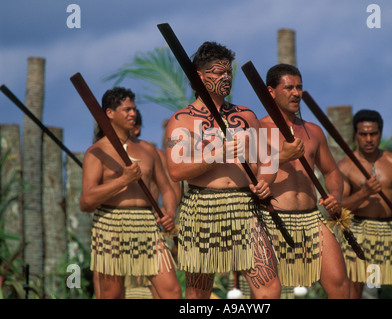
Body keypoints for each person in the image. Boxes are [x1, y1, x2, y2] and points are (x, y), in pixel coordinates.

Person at [164, 41, 282, 299]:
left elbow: (269, 159)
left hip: (244, 206)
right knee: (198, 294)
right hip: (201, 208)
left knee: (270, 290)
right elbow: (176, 170)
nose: (226, 78)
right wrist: (220, 154)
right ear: (200, 76)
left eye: (229, 72)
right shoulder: (182, 120)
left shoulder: (246, 116)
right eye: (219, 73)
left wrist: (265, 182)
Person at [80, 86, 181, 299]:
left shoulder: (147, 149)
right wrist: (122, 181)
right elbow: (86, 201)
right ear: (109, 113)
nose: (133, 113)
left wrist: (169, 213)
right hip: (110, 224)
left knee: (171, 290)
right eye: (126, 109)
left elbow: (168, 190)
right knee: (112, 294)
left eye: (134, 109)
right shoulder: (97, 152)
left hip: (147, 224)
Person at [259, 63, 350, 298]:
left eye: (299, 87)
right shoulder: (258, 129)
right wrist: (281, 158)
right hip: (271, 219)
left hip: (311, 218)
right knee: (267, 294)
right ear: (271, 91)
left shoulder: (313, 131)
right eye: (289, 87)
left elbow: (331, 173)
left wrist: (335, 197)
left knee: (340, 284)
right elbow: (252, 177)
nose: (296, 93)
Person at [337, 109, 392, 299]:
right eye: (363, 134)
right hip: (357, 231)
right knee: (352, 293)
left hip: (390, 231)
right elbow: (338, 208)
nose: (368, 139)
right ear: (355, 134)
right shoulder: (345, 166)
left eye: (373, 134)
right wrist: (364, 193)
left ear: (380, 134)